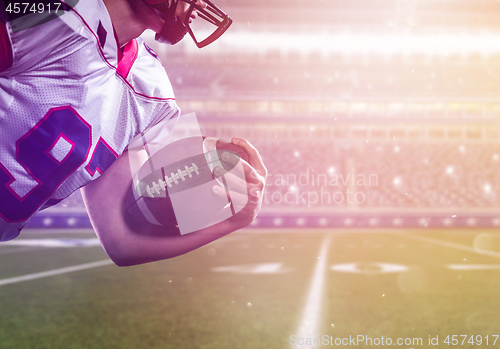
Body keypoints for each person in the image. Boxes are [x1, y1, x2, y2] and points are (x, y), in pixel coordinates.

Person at [0, 0, 267, 265]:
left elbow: (121, 242)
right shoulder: (55, 12)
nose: (198, 6)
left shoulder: (152, 90)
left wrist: (233, 221)